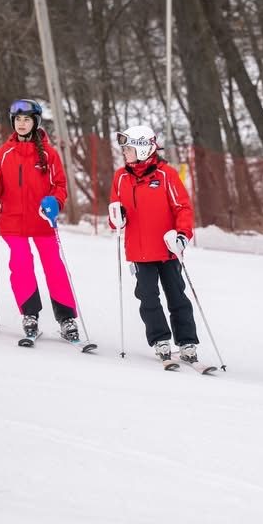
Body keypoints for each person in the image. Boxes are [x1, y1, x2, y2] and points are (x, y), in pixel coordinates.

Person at [0, 99, 80, 342]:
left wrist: (55, 202)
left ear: (35, 122)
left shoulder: (48, 154)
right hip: (12, 222)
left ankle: (66, 318)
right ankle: (30, 314)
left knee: (54, 267)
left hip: (42, 222)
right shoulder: (3, 154)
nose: (22, 124)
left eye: (26, 119)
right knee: (21, 265)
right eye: (18, 120)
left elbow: (60, 186)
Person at [108, 125, 200, 364]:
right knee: (148, 297)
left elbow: (183, 208)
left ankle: (187, 342)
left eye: (128, 148)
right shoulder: (121, 177)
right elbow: (114, 214)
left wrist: (182, 235)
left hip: (167, 249)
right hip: (138, 251)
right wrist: (117, 218)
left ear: (143, 149)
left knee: (176, 296)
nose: (124, 153)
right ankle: (160, 339)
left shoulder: (165, 174)